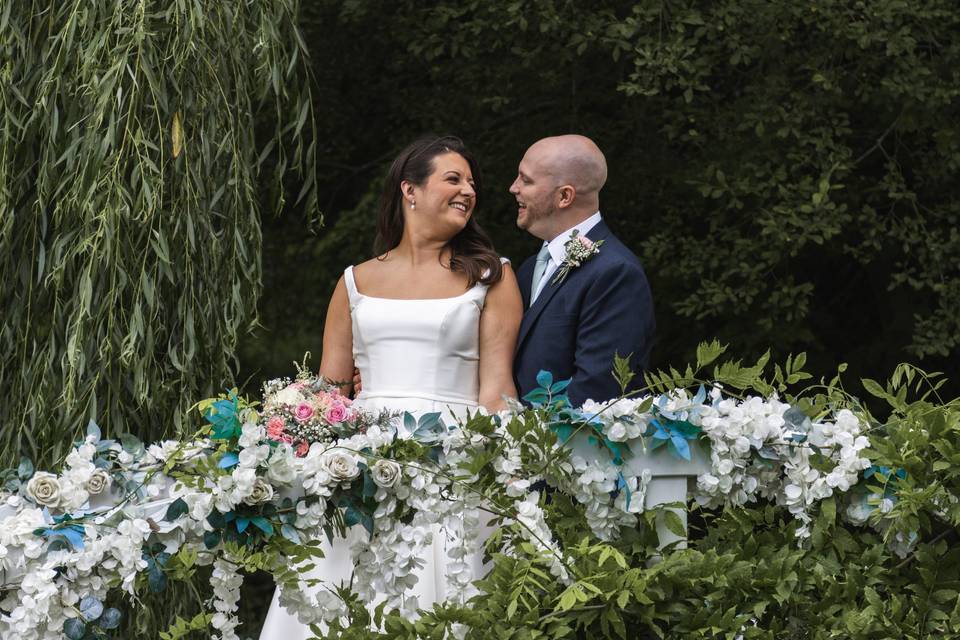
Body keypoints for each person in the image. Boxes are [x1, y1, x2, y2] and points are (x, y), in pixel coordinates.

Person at [259, 136, 522, 639]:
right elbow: (330, 394)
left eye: (472, 183)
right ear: (410, 190)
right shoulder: (354, 281)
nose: (468, 190)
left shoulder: (492, 276)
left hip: (452, 461)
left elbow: (497, 390)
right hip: (358, 463)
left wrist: (508, 472)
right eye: (454, 179)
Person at [510, 135, 655, 408]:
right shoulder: (530, 269)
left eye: (526, 180)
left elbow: (596, 392)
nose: (513, 188)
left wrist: (525, 440)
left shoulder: (615, 273)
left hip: (565, 446)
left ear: (564, 196)